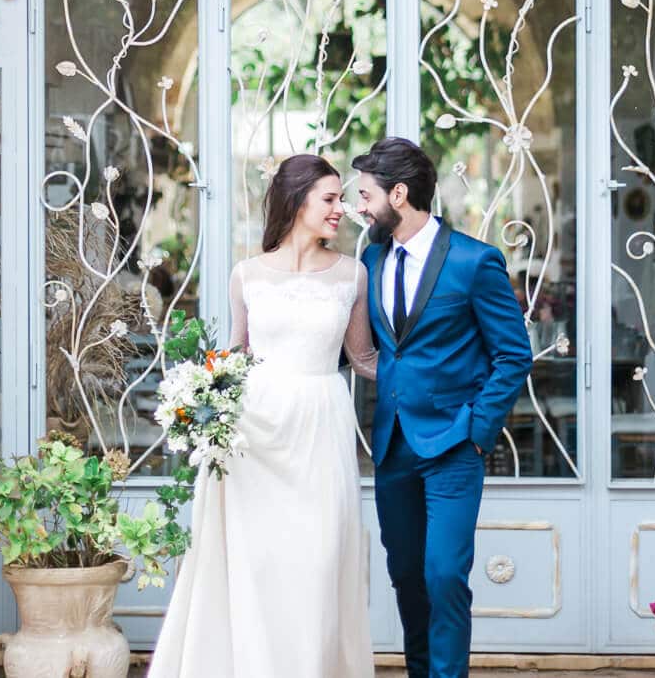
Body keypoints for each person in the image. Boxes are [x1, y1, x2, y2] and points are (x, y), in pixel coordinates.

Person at [147, 154, 379, 678]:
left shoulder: (352, 275)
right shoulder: (246, 274)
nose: (340, 209)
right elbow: (235, 354)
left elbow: (363, 359)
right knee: (260, 567)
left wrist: (433, 380)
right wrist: (199, 402)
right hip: (253, 438)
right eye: (330, 198)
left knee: (318, 565)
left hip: (320, 428)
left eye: (342, 197)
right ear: (297, 202)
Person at [353, 137, 534, 678]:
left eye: (365, 195)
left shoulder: (476, 262)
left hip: (455, 445)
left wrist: (478, 429)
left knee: (444, 575)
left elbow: (513, 354)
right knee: (407, 575)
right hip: (392, 446)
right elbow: (368, 348)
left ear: (399, 194)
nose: (359, 206)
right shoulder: (370, 259)